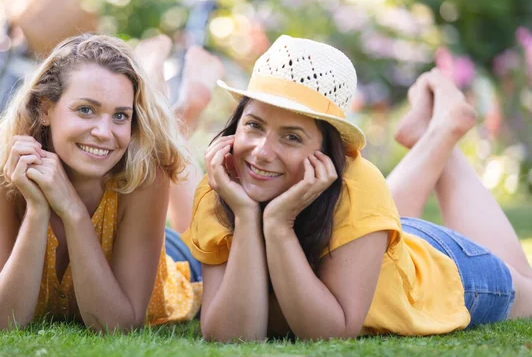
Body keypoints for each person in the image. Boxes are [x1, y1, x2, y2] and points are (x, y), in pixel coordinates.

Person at [181, 35, 532, 341]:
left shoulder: (358, 184)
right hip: (370, 242)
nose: (261, 152)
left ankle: (445, 131)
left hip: (447, 273)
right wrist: (244, 216)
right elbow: (231, 336)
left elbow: (330, 332)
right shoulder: (222, 186)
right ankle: (439, 135)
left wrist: (277, 225)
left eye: (291, 136)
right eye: (253, 126)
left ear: (326, 150)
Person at [0, 33, 209, 331]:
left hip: (175, 258)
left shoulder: (144, 175)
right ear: (45, 108)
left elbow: (118, 325)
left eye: (121, 115)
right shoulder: (3, 165)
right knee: (166, 147)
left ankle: (181, 115)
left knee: (197, 226)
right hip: (135, 236)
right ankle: (168, 105)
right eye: (86, 109)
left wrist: (72, 209)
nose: (103, 132)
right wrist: (37, 209)